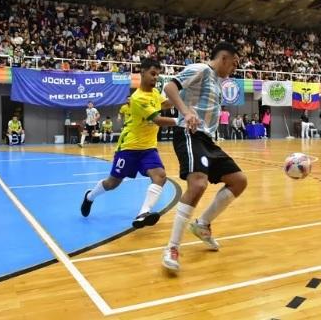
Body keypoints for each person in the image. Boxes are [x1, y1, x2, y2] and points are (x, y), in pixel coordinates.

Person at [161, 42, 247, 272]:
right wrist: (185, 112)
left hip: (208, 140)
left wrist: (175, 105)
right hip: (189, 135)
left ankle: (202, 224)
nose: (234, 68)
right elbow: (170, 86)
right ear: (224, 58)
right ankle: (172, 247)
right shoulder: (201, 69)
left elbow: (174, 98)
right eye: (234, 62)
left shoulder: (218, 83)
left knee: (239, 181)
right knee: (198, 184)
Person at [80, 59, 176, 228]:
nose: (155, 78)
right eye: (152, 74)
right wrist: (183, 119)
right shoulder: (137, 98)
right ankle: (90, 197)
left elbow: (165, 103)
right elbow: (159, 120)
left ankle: (143, 213)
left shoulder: (154, 93)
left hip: (148, 148)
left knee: (160, 176)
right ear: (142, 73)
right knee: (112, 183)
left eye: (157, 75)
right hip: (129, 147)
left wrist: (181, 97)